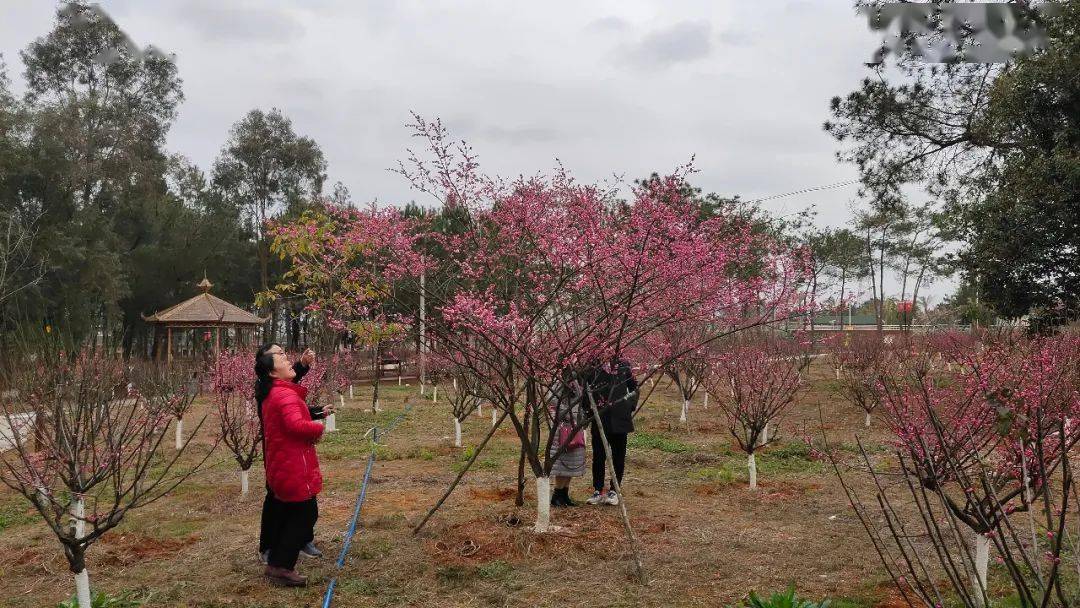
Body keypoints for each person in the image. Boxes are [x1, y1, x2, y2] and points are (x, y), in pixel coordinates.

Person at [255, 344, 327, 587]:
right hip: (293, 464)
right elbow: (296, 424)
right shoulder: (283, 394)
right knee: (305, 514)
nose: (287, 358)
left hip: (283, 462)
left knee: (294, 513)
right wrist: (317, 427)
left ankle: (278, 559)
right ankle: (280, 564)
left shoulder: (273, 390)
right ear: (272, 371)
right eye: (281, 356)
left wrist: (314, 413)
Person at [585, 360, 638, 506]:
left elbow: (634, 387)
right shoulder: (593, 367)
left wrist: (630, 406)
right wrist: (588, 412)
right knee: (598, 455)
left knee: (618, 455)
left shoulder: (624, 365)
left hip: (620, 418)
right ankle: (598, 490)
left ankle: (614, 490)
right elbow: (585, 390)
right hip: (600, 418)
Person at [547, 374, 587, 507]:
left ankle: (564, 494)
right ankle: (557, 494)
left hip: (576, 426)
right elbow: (551, 398)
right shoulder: (560, 381)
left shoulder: (580, 381)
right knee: (562, 462)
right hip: (563, 427)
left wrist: (581, 419)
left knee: (573, 462)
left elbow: (583, 401)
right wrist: (567, 412)